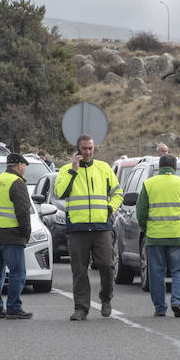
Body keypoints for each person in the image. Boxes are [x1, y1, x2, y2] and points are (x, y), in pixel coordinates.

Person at [54, 134, 122, 321]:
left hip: (102, 227)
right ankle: (81, 308)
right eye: (84, 149)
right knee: (79, 270)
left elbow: (118, 193)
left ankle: (106, 298)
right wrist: (73, 171)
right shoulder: (67, 170)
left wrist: (111, 207)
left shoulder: (104, 168)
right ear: (77, 150)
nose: (88, 152)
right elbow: (60, 192)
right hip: (77, 228)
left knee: (107, 265)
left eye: (91, 148)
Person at [137, 153, 180, 317]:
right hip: (177, 235)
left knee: (156, 273)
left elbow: (141, 211)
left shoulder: (149, 184)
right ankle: (177, 301)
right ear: (175, 168)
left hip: (155, 236)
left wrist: (145, 228)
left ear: (160, 167)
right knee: (179, 271)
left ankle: (160, 308)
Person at [0, 153, 33, 321]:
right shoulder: (17, 183)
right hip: (12, 235)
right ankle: (13, 308)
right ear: (19, 165)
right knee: (17, 272)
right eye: (24, 166)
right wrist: (26, 234)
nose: (24, 169)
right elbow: (23, 213)